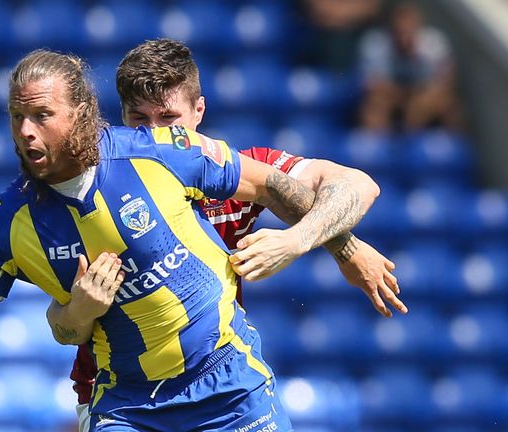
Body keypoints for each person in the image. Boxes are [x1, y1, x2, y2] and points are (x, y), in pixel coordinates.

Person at [0, 49, 381, 431]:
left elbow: (328, 185)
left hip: (228, 384)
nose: (25, 132)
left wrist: (338, 247)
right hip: (122, 401)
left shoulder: (177, 155)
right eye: (18, 117)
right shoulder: (7, 223)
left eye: (41, 116)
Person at [54, 38, 407, 432]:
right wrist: (80, 309)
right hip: (122, 402)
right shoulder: (86, 193)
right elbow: (63, 325)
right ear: (121, 115)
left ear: (199, 110)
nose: (154, 137)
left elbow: (357, 184)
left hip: (219, 390)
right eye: (139, 120)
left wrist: (305, 241)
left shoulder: (233, 173)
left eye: (168, 119)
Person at [359, 2, 462, 131]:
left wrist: (422, 97)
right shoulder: (376, 44)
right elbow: (371, 85)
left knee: (448, 105)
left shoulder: (435, 43)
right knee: (374, 107)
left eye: (409, 30)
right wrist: (403, 95)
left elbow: (446, 82)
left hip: (423, 95)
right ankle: (377, 148)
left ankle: (446, 146)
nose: (404, 37)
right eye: (400, 31)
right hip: (391, 96)